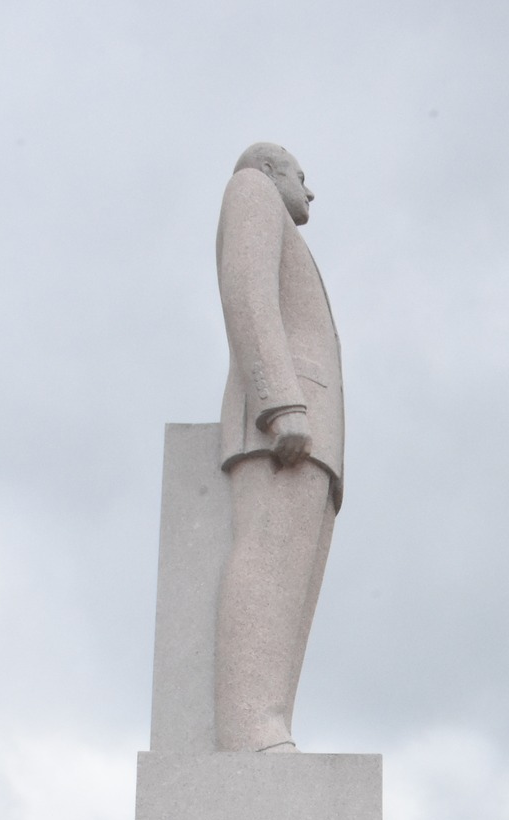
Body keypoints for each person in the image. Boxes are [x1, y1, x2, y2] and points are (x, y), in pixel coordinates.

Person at [214, 143, 345, 752]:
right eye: (301, 176)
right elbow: (247, 290)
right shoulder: (252, 190)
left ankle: (270, 722)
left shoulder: (277, 213)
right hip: (286, 422)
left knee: (293, 585)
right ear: (270, 172)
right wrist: (279, 401)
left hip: (312, 428)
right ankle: (249, 728)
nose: (310, 190)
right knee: (268, 562)